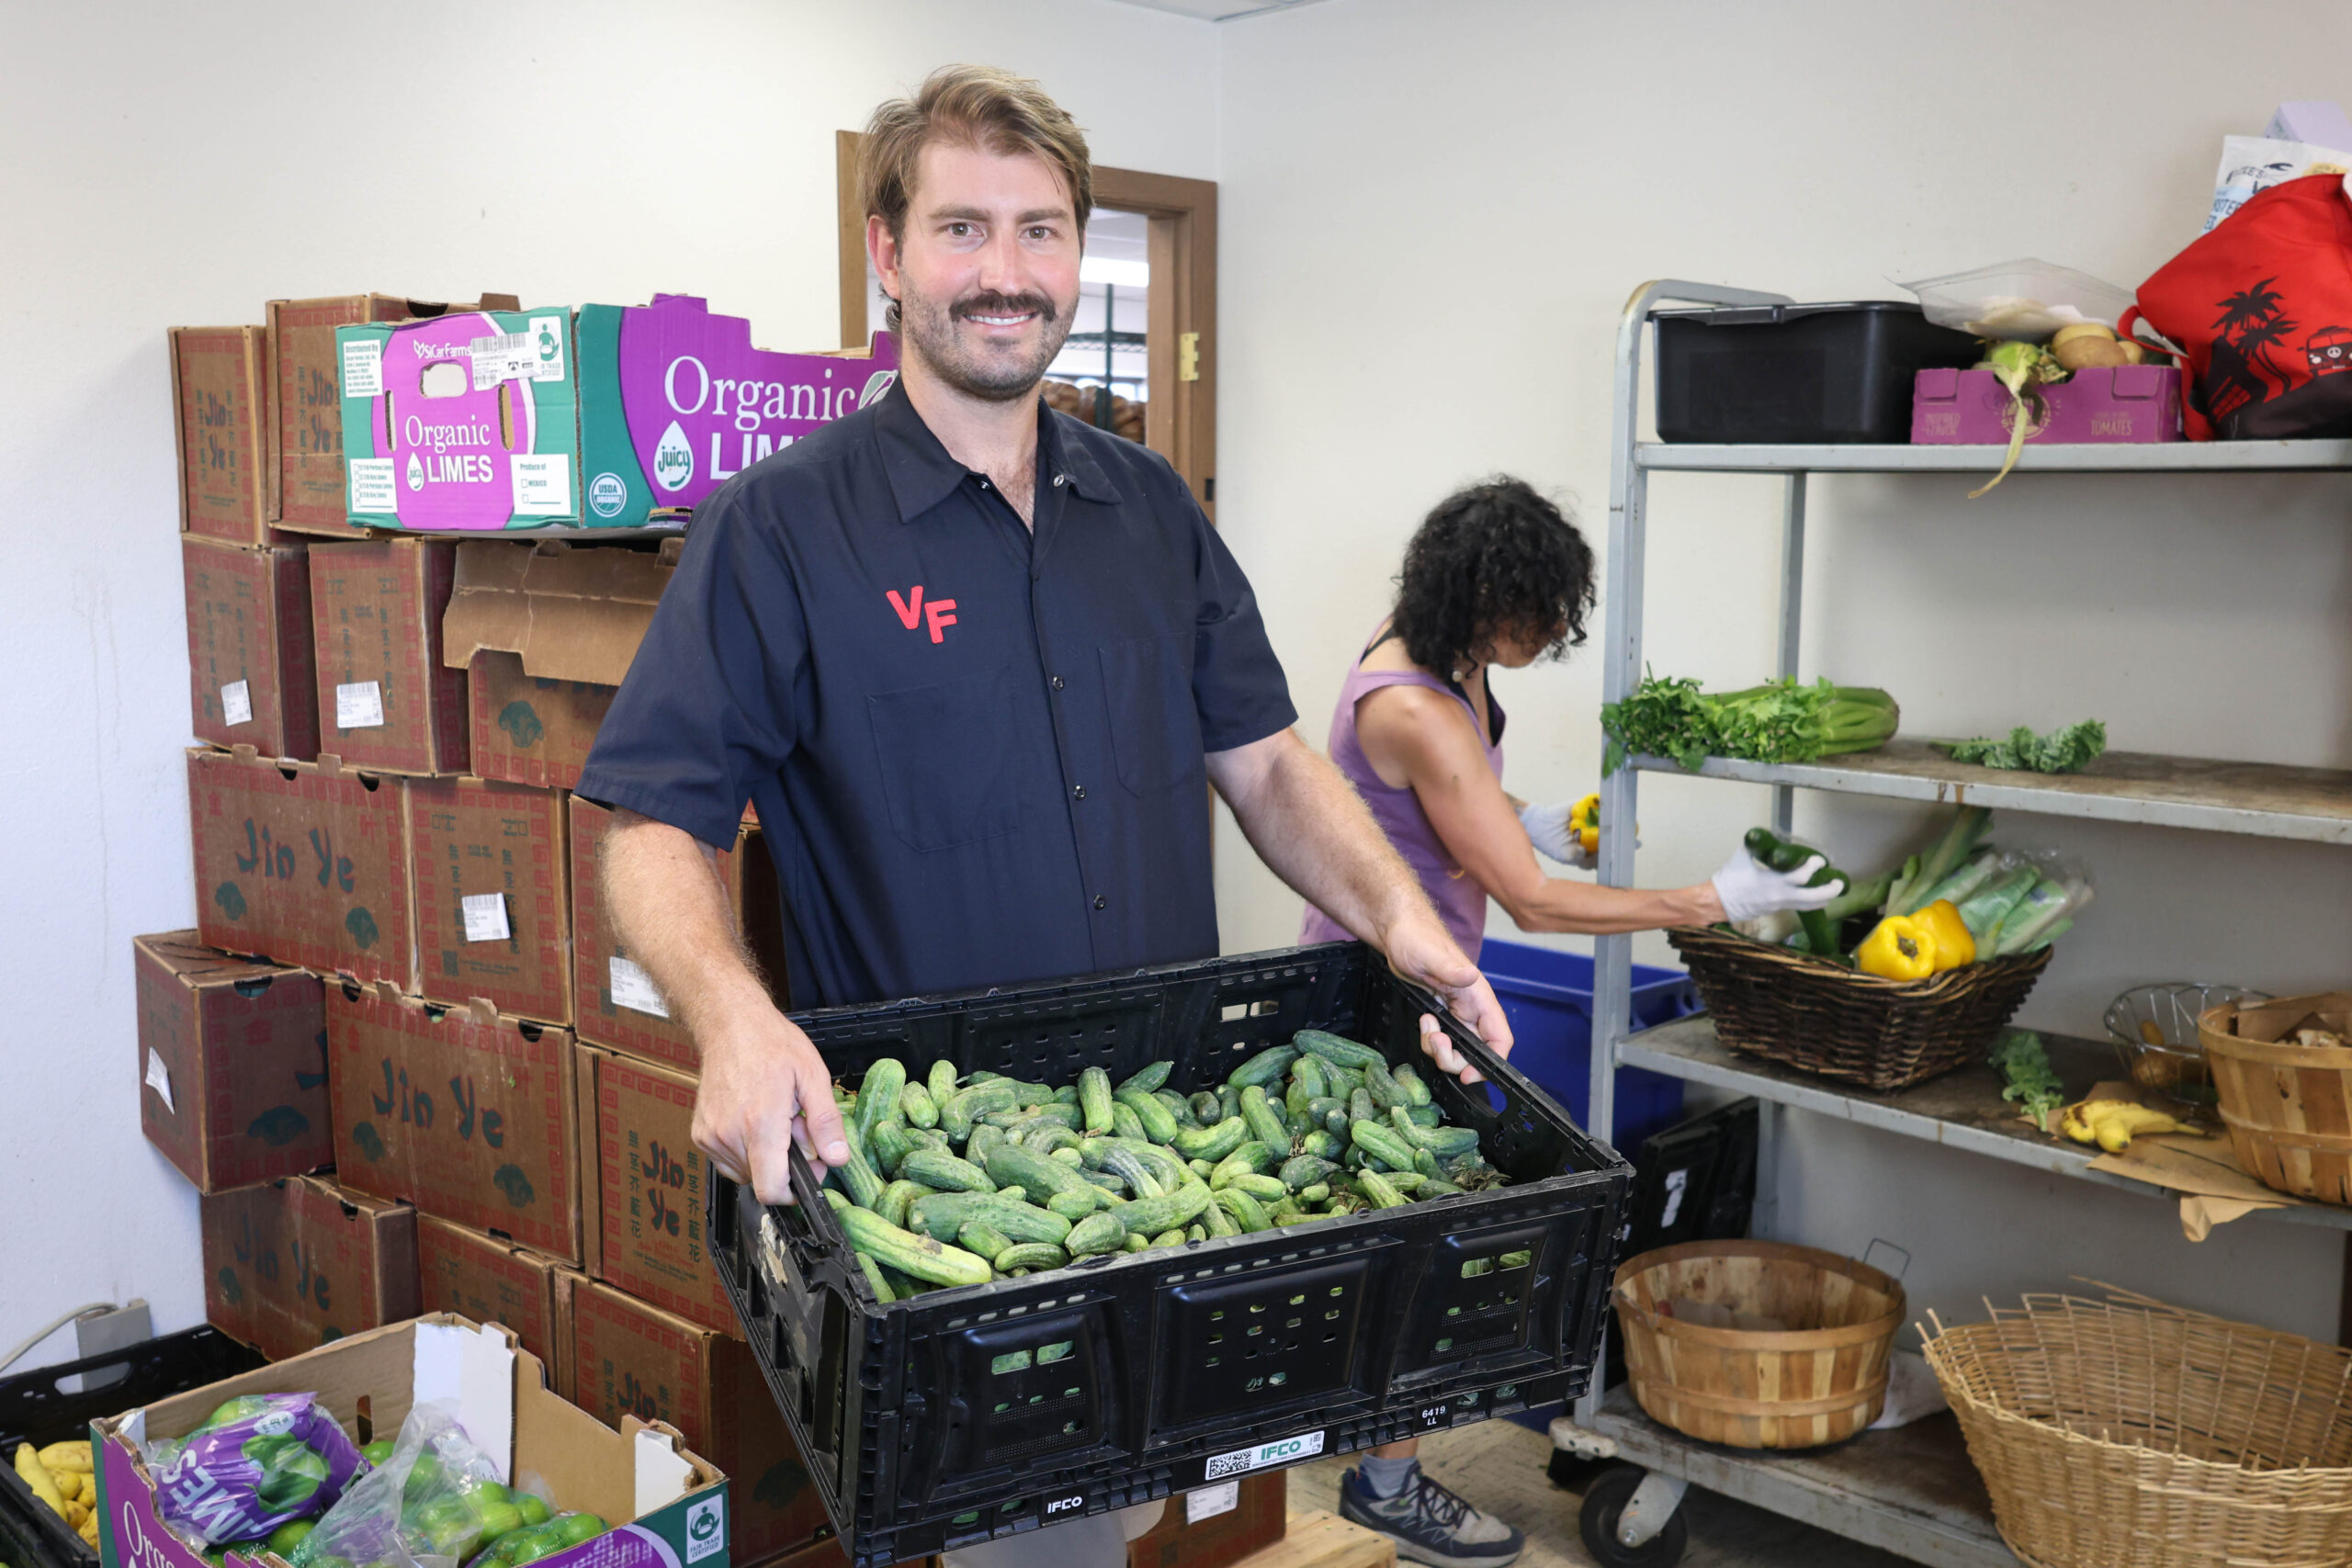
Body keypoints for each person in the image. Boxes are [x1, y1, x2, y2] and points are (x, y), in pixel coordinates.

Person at [573, 65, 1516, 1568]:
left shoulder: (1151, 511)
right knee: (1033, 1539)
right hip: (954, 1191)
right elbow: (651, 822)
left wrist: (1406, 922)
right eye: (961, 228)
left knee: (1126, 1507)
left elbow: (1270, 760)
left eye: (1040, 230)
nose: (1004, 272)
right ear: (887, 254)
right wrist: (733, 1019)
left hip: (1164, 1155)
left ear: (1078, 253)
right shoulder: (781, 529)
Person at [1301, 478, 1840, 1568]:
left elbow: (1446, 803)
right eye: (1535, 617)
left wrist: (1524, 818)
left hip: (1428, 976)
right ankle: (1384, 1487)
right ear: (1480, 594)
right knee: (1420, 1240)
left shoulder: (1451, 657)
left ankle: (1375, 1463)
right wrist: (1711, 901)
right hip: (1375, 997)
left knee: (1412, 1235)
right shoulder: (1409, 700)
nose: (1548, 638)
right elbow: (1534, 905)